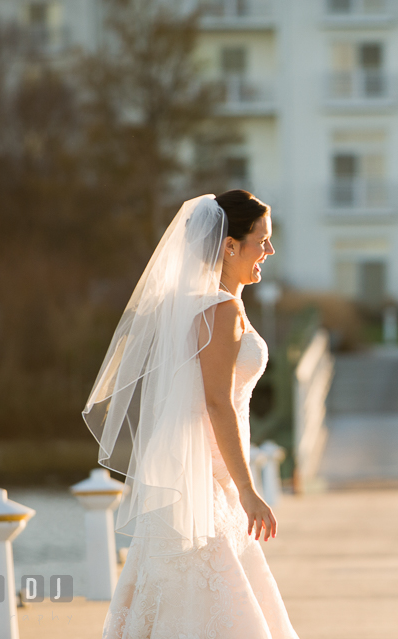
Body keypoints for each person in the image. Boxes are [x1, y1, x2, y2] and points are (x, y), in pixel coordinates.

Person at [83, 191, 299, 639]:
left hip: (196, 476)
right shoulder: (222, 310)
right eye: (263, 239)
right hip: (210, 484)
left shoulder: (199, 305)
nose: (270, 251)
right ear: (230, 245)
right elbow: (217, 403)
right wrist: (247, 490)